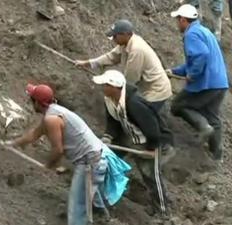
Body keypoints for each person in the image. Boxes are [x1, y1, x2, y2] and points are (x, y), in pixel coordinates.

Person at [5, 83, 131, 225]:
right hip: (98, 157)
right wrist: (13, 143)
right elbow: (34, 134)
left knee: (77, 206)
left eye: (31, 99)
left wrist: (49, 165)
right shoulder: (55, 112)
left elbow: (58, 150)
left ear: (37, 102)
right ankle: (105, 218)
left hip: (90, 162)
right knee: (91, 193)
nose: (30, 102)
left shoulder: (52, 119)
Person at [75, 19, 174, 156]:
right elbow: (111, 57)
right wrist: (89, 63)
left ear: (125, 34)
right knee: (136, 111)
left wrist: (114, 87)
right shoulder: (125, 43)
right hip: (147, 87)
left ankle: (161, 146)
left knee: (144, 116)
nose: (113, 39)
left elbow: (130, 80)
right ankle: (123, 139)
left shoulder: (137, 50)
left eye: (115, 36)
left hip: (156, 89)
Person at [93, 70, 170, 216]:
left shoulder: (134, 103)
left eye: (105, 85)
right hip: (131, 137)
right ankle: (108, 194)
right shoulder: (109, 100)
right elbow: (113, 121)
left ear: (115, 87)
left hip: (149, 140)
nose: (102, 87)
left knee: (151, 176)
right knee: (109, 159)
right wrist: (108, 136)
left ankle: (162, 211)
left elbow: (153, 128)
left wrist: (152, 148)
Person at [168, 4, 228, 162]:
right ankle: (217, 155)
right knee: (213, 116)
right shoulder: (204, 31)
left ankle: (203, 127)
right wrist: (174, 72)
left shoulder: (191, 34)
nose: (177, 24)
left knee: (178, 105)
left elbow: (201, 55)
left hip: (207, 83)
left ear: (183, 20)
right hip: (219, 82)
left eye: (178, 20)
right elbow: (195, 60)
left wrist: (193, 75)